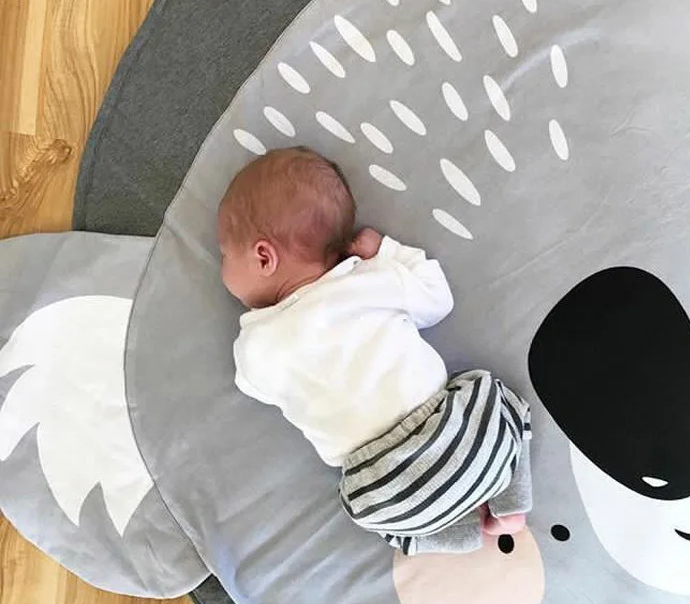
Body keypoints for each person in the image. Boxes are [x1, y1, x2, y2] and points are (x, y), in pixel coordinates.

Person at [218, 146, 532, 554]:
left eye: (225, 255)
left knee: (360, 507)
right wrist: (386, 250)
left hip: (385, 490)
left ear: (264, 257)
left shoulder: (257, 347)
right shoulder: (369, 280)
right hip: (463, 440)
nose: (221, 268)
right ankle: (512, 502)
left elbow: (253, 387)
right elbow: (438, 299)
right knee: (499, 395)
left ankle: (452, 538)